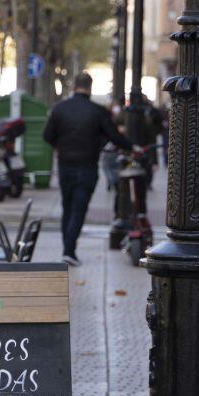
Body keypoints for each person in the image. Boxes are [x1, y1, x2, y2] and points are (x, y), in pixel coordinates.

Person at [43, 72, 135, 266]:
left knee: (67, 207)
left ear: (74, 86)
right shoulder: (98, 111)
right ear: (90, 87)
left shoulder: (60, 109)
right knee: (79, 208)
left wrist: (61, 146)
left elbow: (47, 136)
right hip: (87, 166)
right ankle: (69, 250)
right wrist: (131, 147)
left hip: (65, 165)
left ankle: (67, 249)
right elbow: (113, 136)